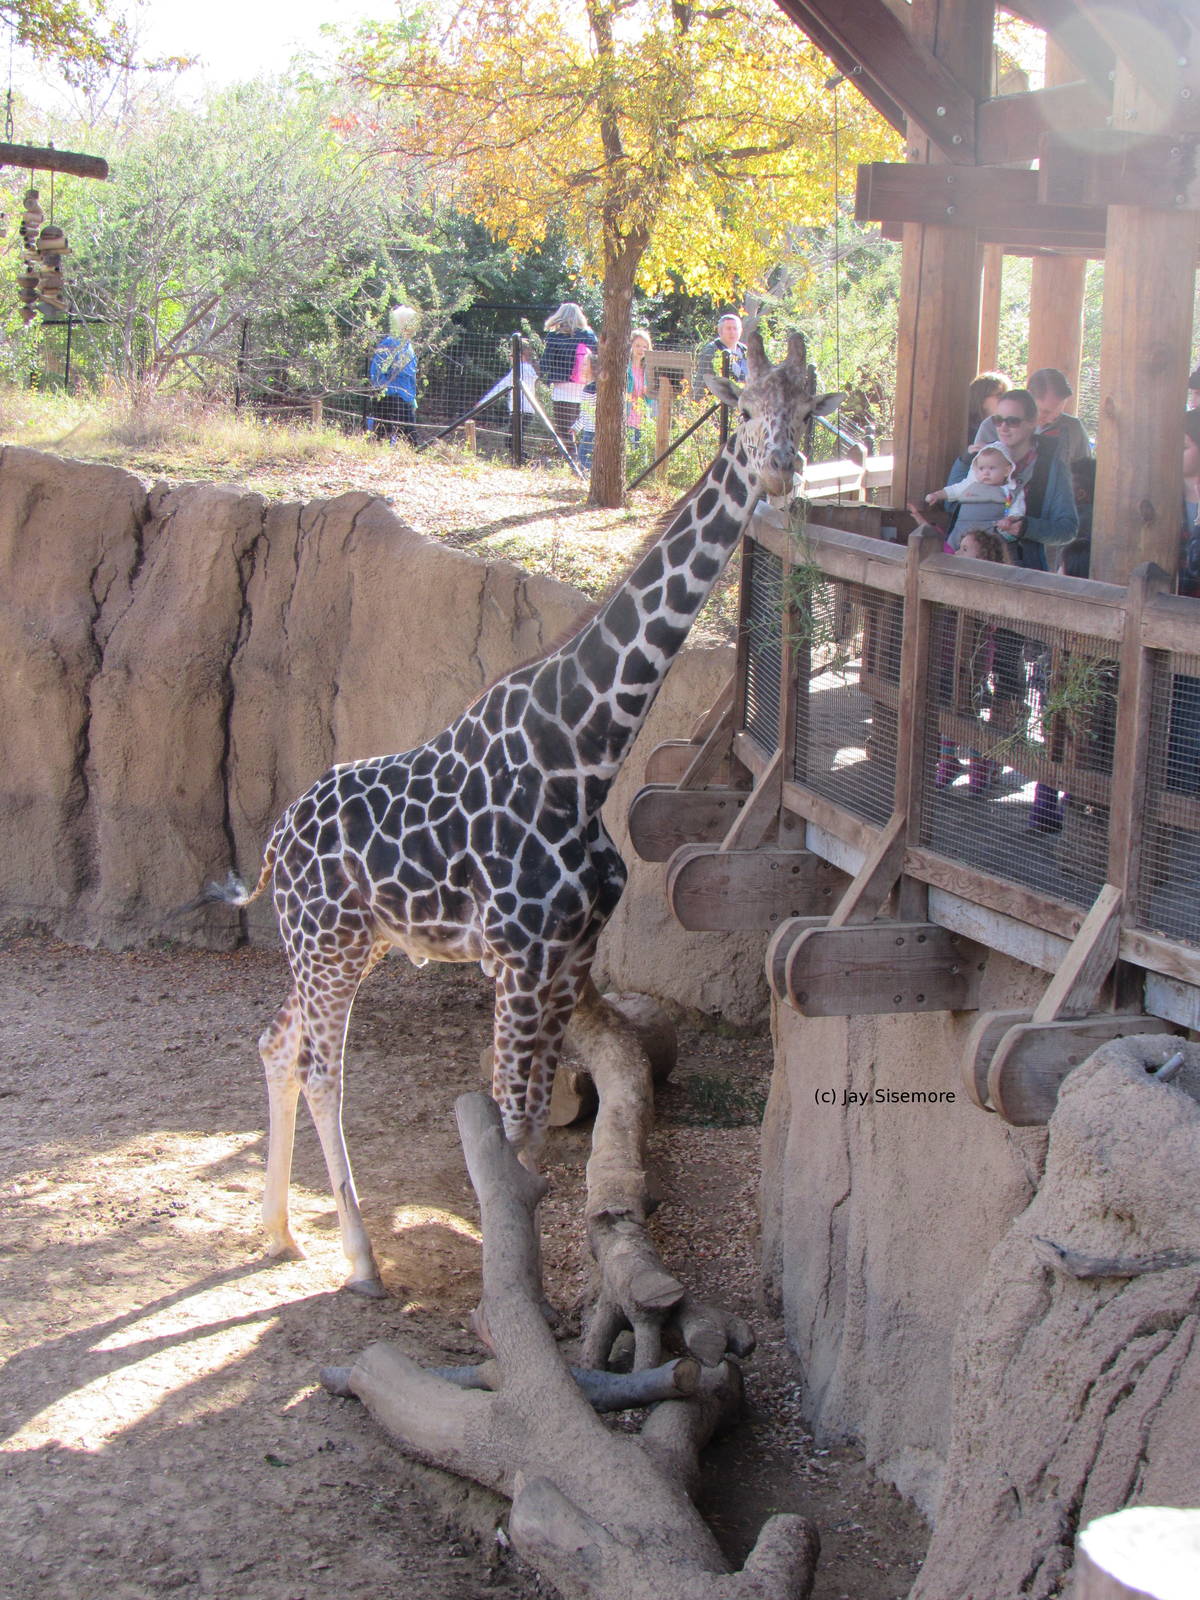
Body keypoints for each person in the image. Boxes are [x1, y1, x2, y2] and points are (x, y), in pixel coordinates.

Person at [951, 389, 1078, 569]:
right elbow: (950, 507)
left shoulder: (1051, 469)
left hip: (1017, 571)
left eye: (1013, 421)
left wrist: (1027, 527)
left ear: (1032, 422)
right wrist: (964, 463)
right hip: (962, 563)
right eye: (998, 420)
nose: (1003, 427)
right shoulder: (982, 458)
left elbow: (1067, 530)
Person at [971, 368, 1092, 465]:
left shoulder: (1073, 428)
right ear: (1028, 396)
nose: (1050, 420)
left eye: (1057, 414)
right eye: (1045, 412)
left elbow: (1085, 476)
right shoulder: (993, 425)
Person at [923, 443, 1023, 549]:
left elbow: (1017, 510)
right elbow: (954, 490)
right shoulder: (970, 485)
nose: (986, 473)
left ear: (1007, 471)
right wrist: (937, 495)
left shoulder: (1010, 490)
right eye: (981, 468)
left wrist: (1009, 520)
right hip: (961, 529)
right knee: (951, 550)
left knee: (985, 552)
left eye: (992, 468)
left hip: (988, 533)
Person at [541, 302, 598, 458]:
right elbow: (597, 359)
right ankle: (582, 459)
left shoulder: (554, 336)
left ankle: (572, 460)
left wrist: (543, 378)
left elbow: (545, 362)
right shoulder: (589, 335)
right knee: (584, 426)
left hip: (562, 387)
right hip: (585, 386)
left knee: (565, 428)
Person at [369, 305, 419, 444]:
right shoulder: (390, 344)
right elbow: (377, 372)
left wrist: (412, 398)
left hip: (405, 399)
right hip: (390, 399)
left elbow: (411, 375)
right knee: (383, 438)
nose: (416, 326)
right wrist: (388, 391)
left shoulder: (408, 345)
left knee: (410, 441)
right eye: (413, 321)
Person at [693, 312, 748, 398]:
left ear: (740, 331)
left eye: (735, 328)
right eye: (728, 328)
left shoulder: (744, 350)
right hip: (715, 399)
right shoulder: (711, 351)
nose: (732, 332)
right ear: (720, 331)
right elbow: (704, 382)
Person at [626, 328, 655, 444]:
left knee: (640, 450)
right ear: (631, 346)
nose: (641, 349)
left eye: (645, 347)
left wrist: (648, 392)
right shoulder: (625, 368)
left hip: (642, 417)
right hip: (627, 415)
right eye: (637, 345)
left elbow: (650, 398)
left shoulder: (648, 370)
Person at [966, 371, 1010, 444]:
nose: (1006, 399)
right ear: (981, 400)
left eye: (1007, 394)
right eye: (999, 395)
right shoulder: (968, 433)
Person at [577, 351, 597, 470]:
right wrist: (577, 427)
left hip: (591, 430)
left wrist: (577, 426)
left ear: (592, 367)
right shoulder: (590, 386)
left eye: (585, 364)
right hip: (589, 429)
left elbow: (587, 411)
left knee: (584, 460)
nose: (581, 366)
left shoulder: (592, 388)